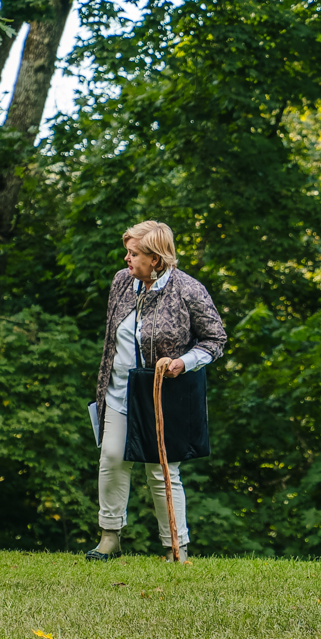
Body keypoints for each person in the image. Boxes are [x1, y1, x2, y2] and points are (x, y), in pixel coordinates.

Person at [88, 220, 227, 562]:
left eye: (134, 253)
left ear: (157, 259)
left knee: (162, 471)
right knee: (111, 458)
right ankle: (109, 537)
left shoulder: (188, 290)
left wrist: (183, 362)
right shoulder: (122, 283)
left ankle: (175, 547)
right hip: (119, 390)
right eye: (128, 251)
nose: (127, 259)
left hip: (162, 396)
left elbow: (216, 339)